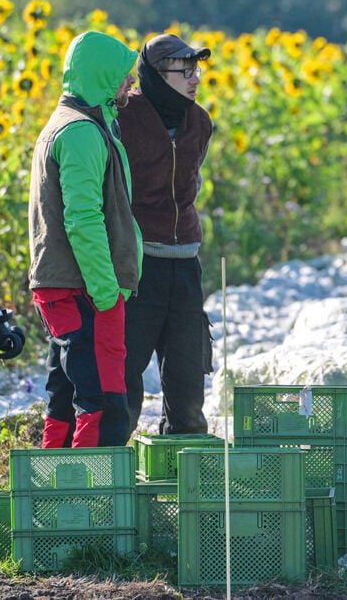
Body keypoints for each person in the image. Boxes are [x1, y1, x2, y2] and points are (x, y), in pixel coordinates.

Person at [28, 31, 140, 448]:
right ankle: (93, 498)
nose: (130, 82)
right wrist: (106, 291)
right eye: (123, 75)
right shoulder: (80, 133)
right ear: (101, 75)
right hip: (84, 287)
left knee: (66, 392)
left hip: (68, 285)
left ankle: (52, 489)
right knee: (100, 398)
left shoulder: (73, 124)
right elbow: (82, 220)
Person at [118, 34, 214, 435]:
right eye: (184, 71)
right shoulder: (126, 116)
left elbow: (194, 178)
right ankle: (113, 470)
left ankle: (183, 471)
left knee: (189, 379)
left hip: (185, 264)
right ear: (157, 75)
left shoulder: (200, 121)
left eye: (197, 70)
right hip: (139, 266)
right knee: (125, 379)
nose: (194, 79)